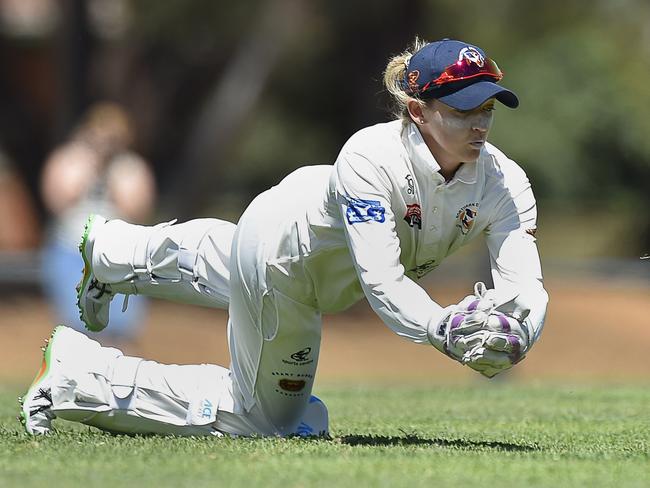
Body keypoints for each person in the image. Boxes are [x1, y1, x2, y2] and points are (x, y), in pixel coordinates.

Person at [20, 38, 548, 437]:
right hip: (287, 266)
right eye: (463, 110)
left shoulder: (505, 181)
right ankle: (77, 375)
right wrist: (444, 327)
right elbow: (383, 283)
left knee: (222, 262)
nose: (481, 124)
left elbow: (527, 284)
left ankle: (111, 250)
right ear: (418, 111)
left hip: (283, 229)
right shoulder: (370, 158)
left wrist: (520, 331)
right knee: (268, 420)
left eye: (488, 109)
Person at [39, 102, 156, 342]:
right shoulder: (69, 160)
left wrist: (111, 179)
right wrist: (88, 174)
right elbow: (55, 199)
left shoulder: (132, 168)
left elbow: (139, 210)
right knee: (76, 323)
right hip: (73, 251)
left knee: (121, 329)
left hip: (122, 256)